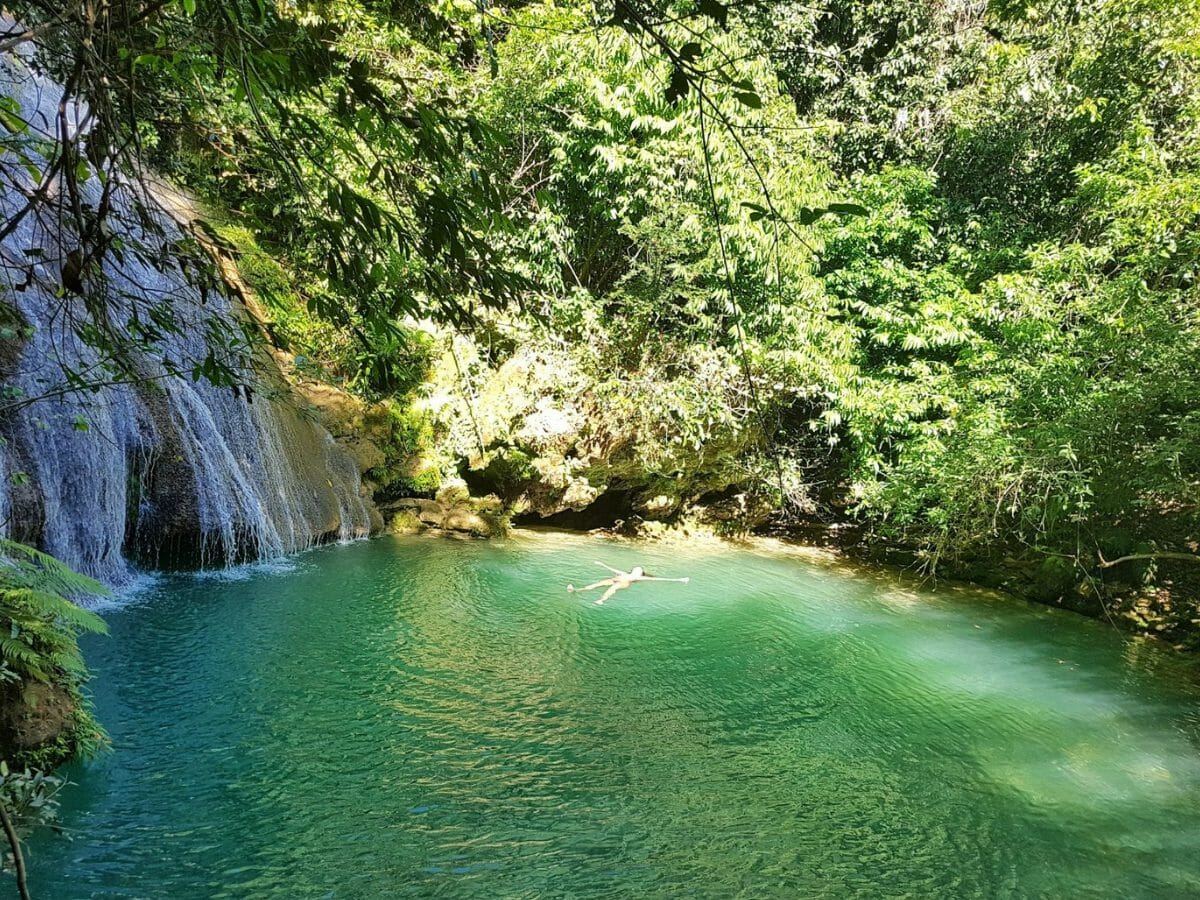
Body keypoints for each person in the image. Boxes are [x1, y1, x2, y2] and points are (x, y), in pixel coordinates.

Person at [567, 561, 689, 605]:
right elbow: (611, 569)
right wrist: (601, 564)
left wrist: (679, 579)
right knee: (595, 585)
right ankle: (576, 590)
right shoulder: (624, 572)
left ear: (640, 573)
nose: (637, 569)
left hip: (622, 583)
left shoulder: (639, 578)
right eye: (636, 568)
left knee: (612, 589)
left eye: (639, 569)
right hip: (615, 579)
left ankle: (601, 600)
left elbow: (659, 579)